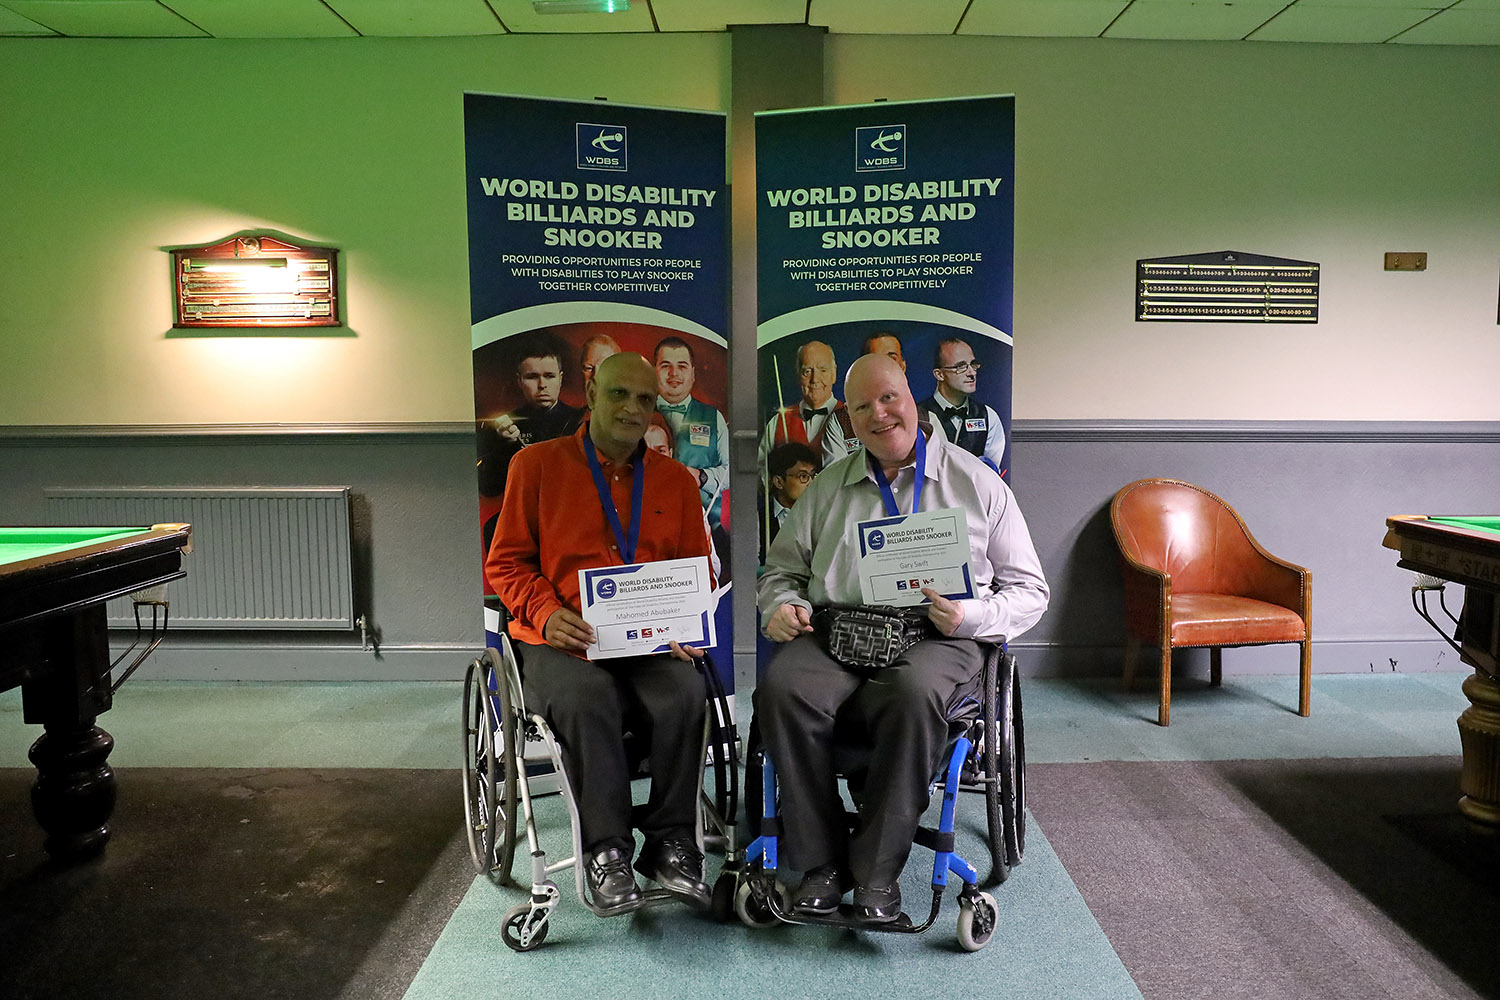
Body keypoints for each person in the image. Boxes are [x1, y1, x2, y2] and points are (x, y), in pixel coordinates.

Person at [755, 353, 1048, 923]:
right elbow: (780, 571)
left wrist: (970, 618)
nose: (879, 414)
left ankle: (875, 876)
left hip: (937, 633)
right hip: (840, 628)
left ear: (912, 397)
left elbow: (1030, 591)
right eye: (862, 405)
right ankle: (820, 865)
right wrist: (783, 605)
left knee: (912, 697)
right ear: (849, 416)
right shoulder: (826, 488)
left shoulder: (977, 483)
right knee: (782, 690)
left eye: (888, 398)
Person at [487, 352, 715, 912]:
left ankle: (669, 842)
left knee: (686, 693)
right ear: (590, 395)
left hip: (647, 643)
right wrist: (543, 612)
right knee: (591, 700)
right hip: (561, 640)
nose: (632, 408)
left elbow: (694, 569)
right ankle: (606, 853)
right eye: (619, 394)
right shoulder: (536, 466)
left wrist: (686, 623)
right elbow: (506, 563)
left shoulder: (677, 481)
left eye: (644, 399)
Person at [653, 336, 730, 527]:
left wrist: (702, 477)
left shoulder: (714, 417)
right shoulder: (638, 415)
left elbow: (732, 471)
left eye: (682, 366)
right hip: (651, 524)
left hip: (707, 525)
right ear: (653, 372)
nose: (674, 373)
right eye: (665, 365)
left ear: (693, 374)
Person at [758, 340, 856, 470]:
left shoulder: (851, 418)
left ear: (834, 374)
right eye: (807, 371)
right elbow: (760, 472)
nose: (815, 379)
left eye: (823, 370)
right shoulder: (778, 422)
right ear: (798, 374)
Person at [918, 337, 1006, 476]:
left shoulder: (988, 416)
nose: (972, 373)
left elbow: (990, 476)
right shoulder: (917, 416)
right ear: (939, 374)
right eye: (961, 367)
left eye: (973, 364)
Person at [758, 441, 820, 564]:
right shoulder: (760, 517)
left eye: (813, 475)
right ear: (779, 482)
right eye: (803, 476)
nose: (811, 483)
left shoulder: (820, 513)